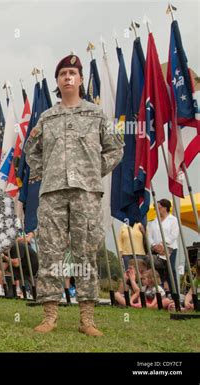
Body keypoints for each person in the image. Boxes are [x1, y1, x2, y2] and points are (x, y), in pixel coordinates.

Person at [24, 54, 123, 336]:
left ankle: (87, 319)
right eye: (63, 73)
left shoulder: (97, 114)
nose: (68, 77)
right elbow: (31, 151)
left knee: (86, 253)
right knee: (50, 253)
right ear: (57, 82)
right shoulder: (47, 117)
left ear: (80, 79)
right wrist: (48, 170)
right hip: (53, 193)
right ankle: (49, 316)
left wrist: (92, 171)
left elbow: (116, 149)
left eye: (72, 73)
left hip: (86, 193)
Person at [147, 199, 180, 296]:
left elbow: (174, 234)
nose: (156, 209)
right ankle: (160, 294)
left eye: (158, 207)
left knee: (170, 270)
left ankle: (175, 294)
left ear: (165, 208)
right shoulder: (154, 221)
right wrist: (154, 245)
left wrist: (163, 244)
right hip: (156, 250)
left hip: (170, 249)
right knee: (158, 271)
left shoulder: (173, 220)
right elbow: (150, 235)